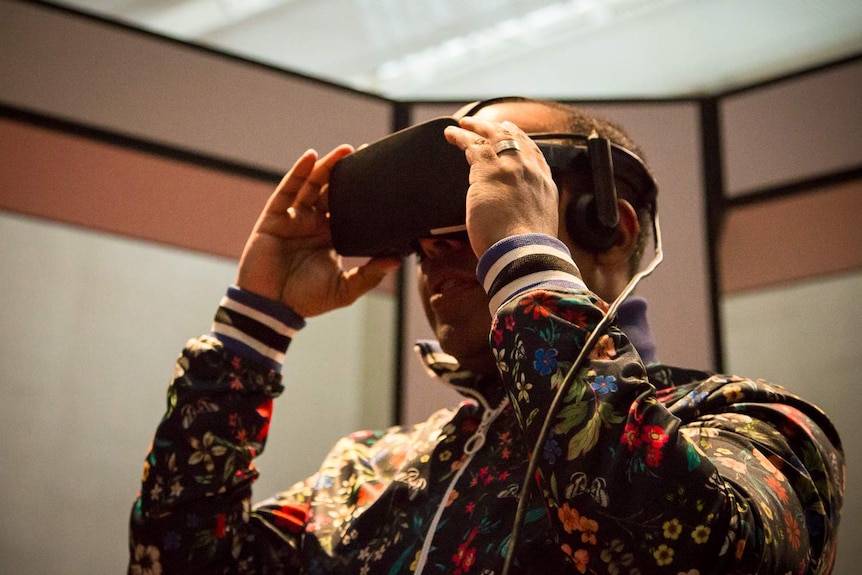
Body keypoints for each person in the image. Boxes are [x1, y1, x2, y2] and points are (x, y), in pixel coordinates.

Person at [128, 97, 844, 574]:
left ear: (607, 225)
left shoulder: (759, 425)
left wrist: (524, 264)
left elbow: (695, 551)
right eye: (425, 237)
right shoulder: (364, 472)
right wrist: (252, 330)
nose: (438, 249)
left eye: (482, 202)